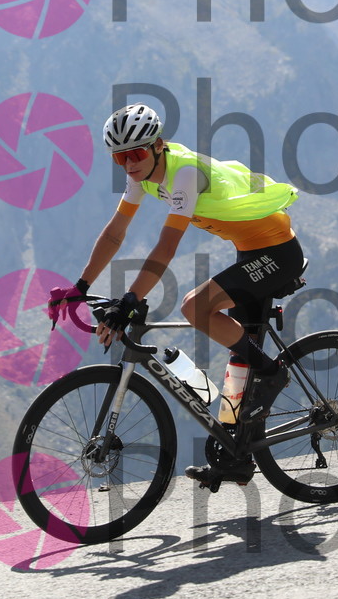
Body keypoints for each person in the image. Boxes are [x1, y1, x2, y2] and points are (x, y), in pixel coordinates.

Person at [53, 103, 305, 487]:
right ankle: (236, 456)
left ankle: (273, 374)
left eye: (136, 153)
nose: (129, 164)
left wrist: (130, 300)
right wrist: (81, 287)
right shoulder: (141, 176)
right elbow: (116, 233)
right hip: (250, 249)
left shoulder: (183, 173)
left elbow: (166, 246)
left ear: (158, 146)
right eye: (120, 157)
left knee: (196, 307)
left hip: (278, 252)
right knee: (240, 353)